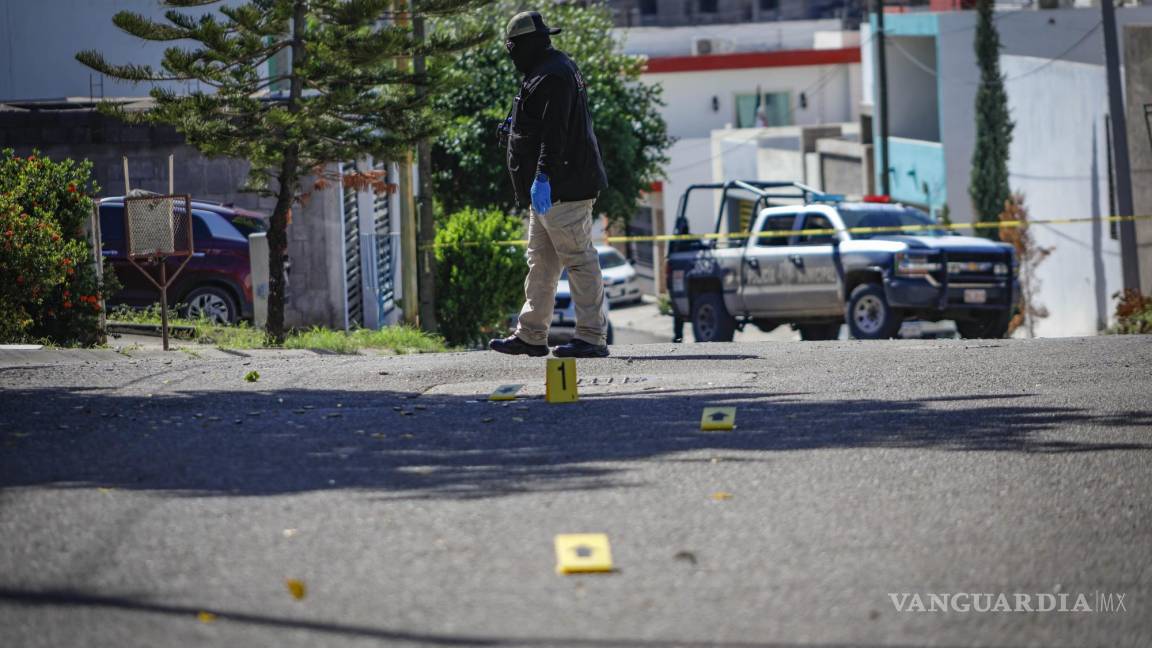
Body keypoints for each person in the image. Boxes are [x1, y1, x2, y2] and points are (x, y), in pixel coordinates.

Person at [488, 10, 610, 359]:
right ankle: (531, 334)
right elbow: (540, 123)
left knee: (579, 259)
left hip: (561, 187)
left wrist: (542, 176)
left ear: (522, 45)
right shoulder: (548, 69)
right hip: (547, 192)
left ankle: (591, 336)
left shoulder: (552, 75)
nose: (511, 55)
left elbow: (555, 135)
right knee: (541, 262)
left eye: (512, 47)